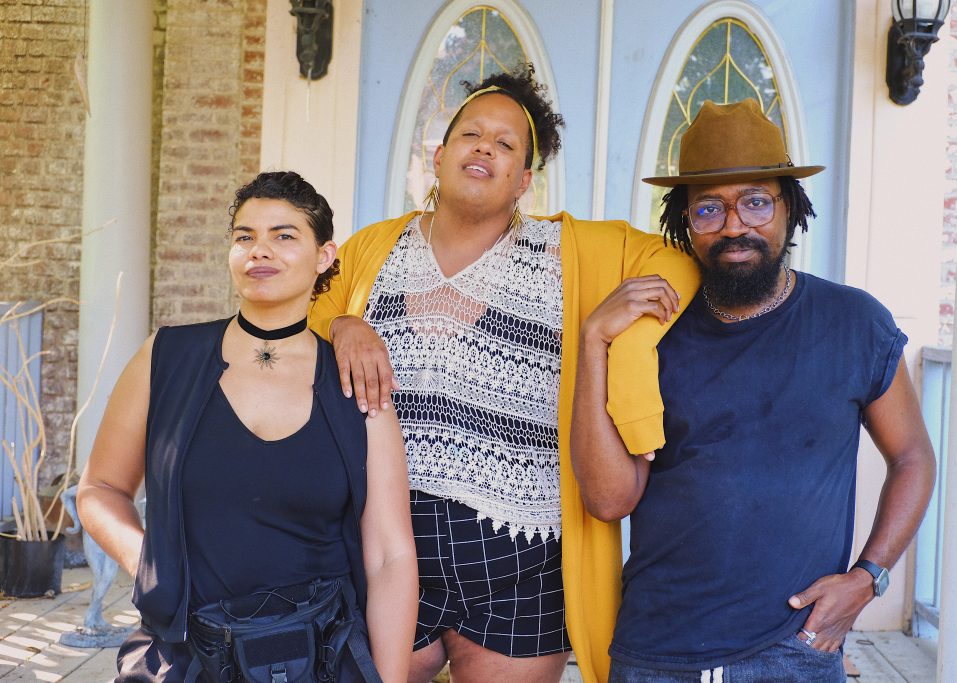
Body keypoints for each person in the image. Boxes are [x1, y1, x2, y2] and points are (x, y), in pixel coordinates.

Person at [308, 64, 700, 683]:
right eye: (471, 134)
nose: (484, 146)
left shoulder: (573, 250)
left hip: (519, 559)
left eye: (506, 143)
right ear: (438, 157)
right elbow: (307, 308)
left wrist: (615, 342)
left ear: (523, 181)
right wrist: (342, 326)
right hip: (386, 549)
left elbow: (678, 270)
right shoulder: (372, 250)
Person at [571, 99, 937, 682]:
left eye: (756, 201)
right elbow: (610, 500)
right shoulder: (653, 334)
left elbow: (913, 457)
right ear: (683, 222)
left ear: (791, 207)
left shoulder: (854, 323)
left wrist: (869, 578)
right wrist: (594, 339)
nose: (734, 225)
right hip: (657, 652)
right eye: (709, 208)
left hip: (794, 649)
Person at [77, 171, 418, 682]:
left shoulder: (357, 384)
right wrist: (152, 563)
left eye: (284, 236)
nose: (260, 250)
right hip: (187, 654)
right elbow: (100, 489)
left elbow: (390, 555)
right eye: (245, 237)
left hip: (320, 658)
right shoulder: (166, 358)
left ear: (325, 256)